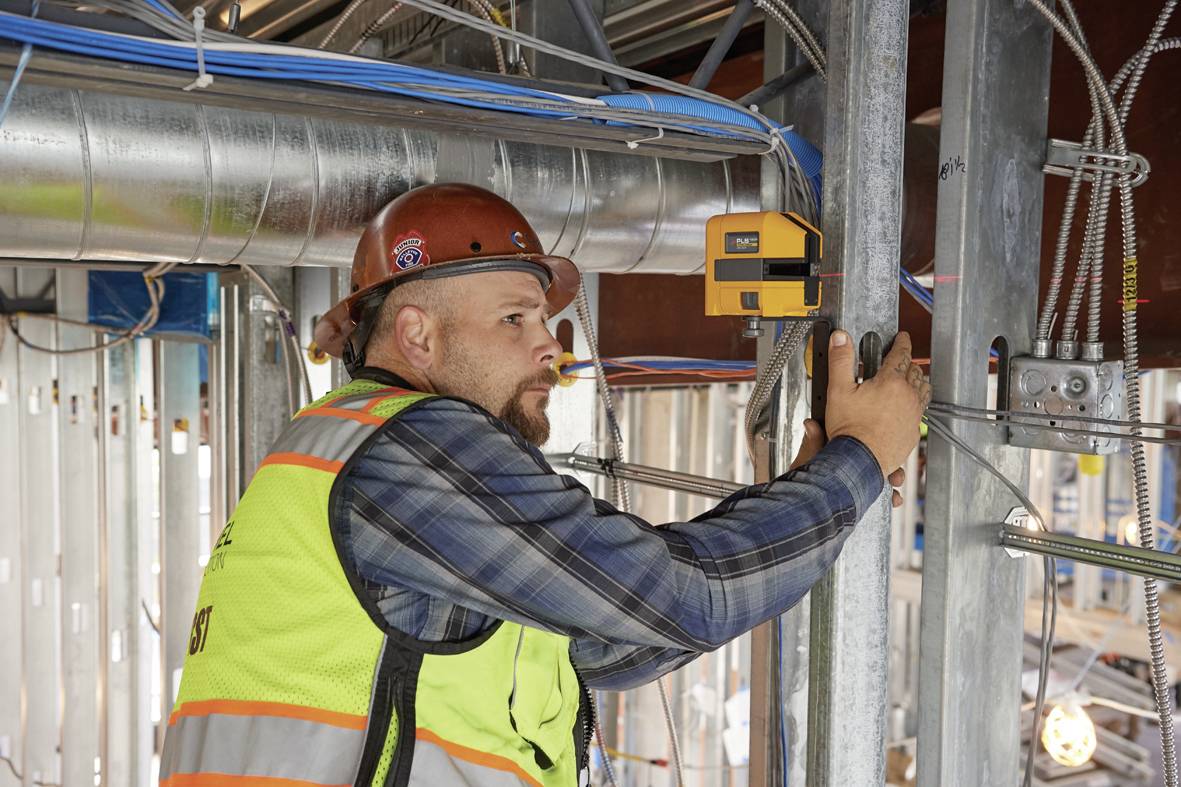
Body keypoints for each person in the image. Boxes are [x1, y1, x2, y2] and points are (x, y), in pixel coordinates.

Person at [159, 183, 929, 787]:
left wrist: (815, 486)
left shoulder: (363, 452)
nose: (550, 349)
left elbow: (620, 637)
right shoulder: (407, 446)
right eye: (515, 319)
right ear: (417, 333)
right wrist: (859, 459)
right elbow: (678, 598)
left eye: (546, 322)